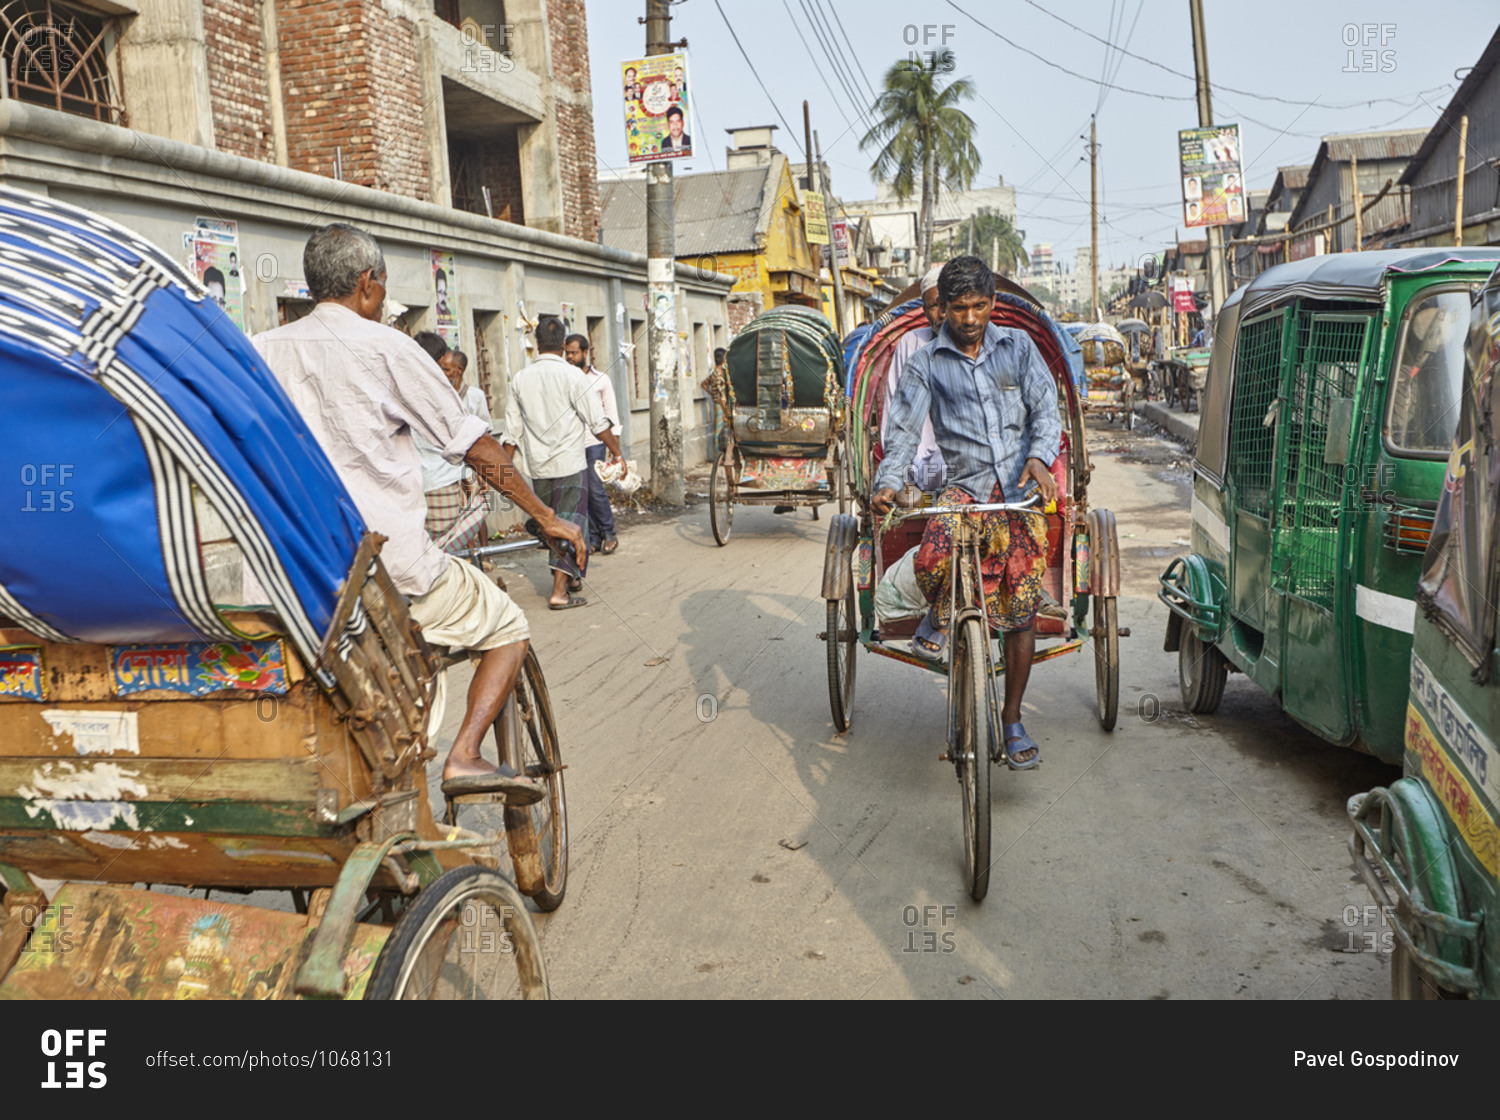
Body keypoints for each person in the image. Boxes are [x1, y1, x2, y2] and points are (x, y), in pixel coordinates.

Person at [252, 222, 579, 803]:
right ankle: (464, 755)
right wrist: (546, 517)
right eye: (380, 282)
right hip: (383, 572)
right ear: (366, 284)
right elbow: (474, 445)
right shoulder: (390, 347)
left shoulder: (259, 350)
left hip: (286, 578)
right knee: (507, 626)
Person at [871, 256, 1061, 769]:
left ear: (993, 304)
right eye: (959, 308)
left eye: (979, 306)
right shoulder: (926, 363)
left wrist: (1041, 459)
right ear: (944, 310)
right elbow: (905, 433)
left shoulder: (1019, 348)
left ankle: (1013, 718)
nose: (971, 318)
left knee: (1021, 607)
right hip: (965, 491)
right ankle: (939, 612)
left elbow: (1047, 412)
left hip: (1017, 493)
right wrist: (889, 484)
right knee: (933, 558)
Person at [504, 316, 623, 609]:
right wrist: (617, 453)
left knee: (551, 523)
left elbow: (511, 432)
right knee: (567, 526)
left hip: (538, 469)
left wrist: (501, 470)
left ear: (536, 343)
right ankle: (559, 593)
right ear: (562, 345)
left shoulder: (520, 379)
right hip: (570, 465)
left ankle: (569, 578)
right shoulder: (573, 377)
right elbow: (598, 423)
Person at [412, 331, 491, 556]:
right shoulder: (440, 395)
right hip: (441, 481)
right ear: (438, 363)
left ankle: (479, 555)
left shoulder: (402, 388)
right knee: (442, 554)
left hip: (422, 481)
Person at [880, 264, 947, 491]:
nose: (943, 314)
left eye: (947, 304)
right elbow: (896, 415)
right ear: (925, 311)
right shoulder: (912, 345)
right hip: (922, 465)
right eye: (933, 306)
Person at [564, 333, 622, 556]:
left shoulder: (600, 379)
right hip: (571, 444)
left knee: (596, 489)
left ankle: (609, 533)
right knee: (580, 492)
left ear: (585, 353)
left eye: (574, 352)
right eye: (567, 352)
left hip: (595, 442)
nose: (569, 357)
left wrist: (614, 448)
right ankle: (593, 537)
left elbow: (611, 413)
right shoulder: (564, 378)